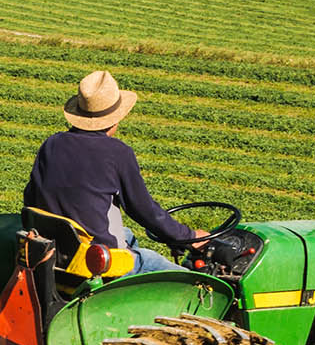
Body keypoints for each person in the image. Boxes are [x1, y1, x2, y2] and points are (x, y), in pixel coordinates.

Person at [23, 70, 198, 273]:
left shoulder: (51, 143)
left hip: (57, 252)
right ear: (115, 120)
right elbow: (144, 210)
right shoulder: (117, 153)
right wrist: (189, 236)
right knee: (185, 280)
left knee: (128, 235)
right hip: (97, 261)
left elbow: (30, 196)